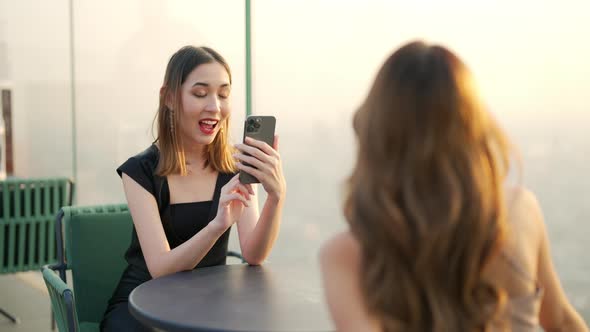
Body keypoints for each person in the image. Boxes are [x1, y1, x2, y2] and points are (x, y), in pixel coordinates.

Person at [319, 41, 588, 332]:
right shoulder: (519, 212)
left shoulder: (346, 255)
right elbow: (561, 321)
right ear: (474, 127)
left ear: (376, 132)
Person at [100, 46, 286, 331]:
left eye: (223, 94)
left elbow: (253, 254)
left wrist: (276, 196)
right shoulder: (139, 172)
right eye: (200, 93)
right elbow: (160, 269)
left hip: (207, 306)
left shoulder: (236, 166)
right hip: (142, 307)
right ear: (170, 98)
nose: (215, 106)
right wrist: (216, 226)